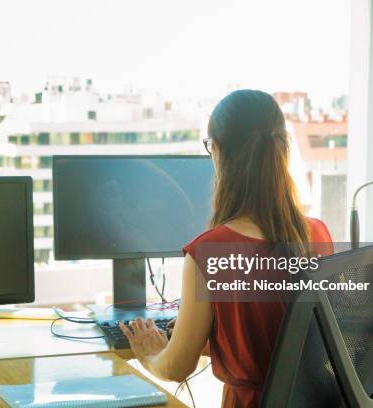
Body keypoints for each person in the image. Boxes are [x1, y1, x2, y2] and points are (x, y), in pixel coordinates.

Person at [118, 89, 333, 407]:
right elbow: (287, 335)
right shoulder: (317, 233)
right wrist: (216, 336)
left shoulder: (207, 253)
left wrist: (150, 355)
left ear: (217, 150)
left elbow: (176, 368)